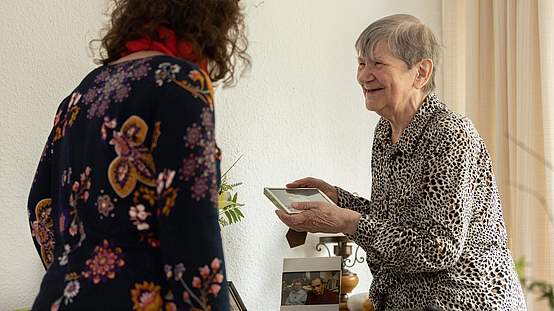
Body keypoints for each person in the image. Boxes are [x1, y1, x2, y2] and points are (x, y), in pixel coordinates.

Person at [276, 14, 527, 310]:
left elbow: (438, 248)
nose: (363, 75)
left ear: (420, 72)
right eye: (361, 63)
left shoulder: (451, 134)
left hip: (462, 301)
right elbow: (394, 223)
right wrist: (337, 198)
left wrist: (346, 221)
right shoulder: (385, 131)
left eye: (378, 64)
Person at [27, 1, 248, 310]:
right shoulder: (180, 83)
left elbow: (40, 207)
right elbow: (192, 230)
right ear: (209, 21)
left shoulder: (81, 94)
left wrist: (72, 274)